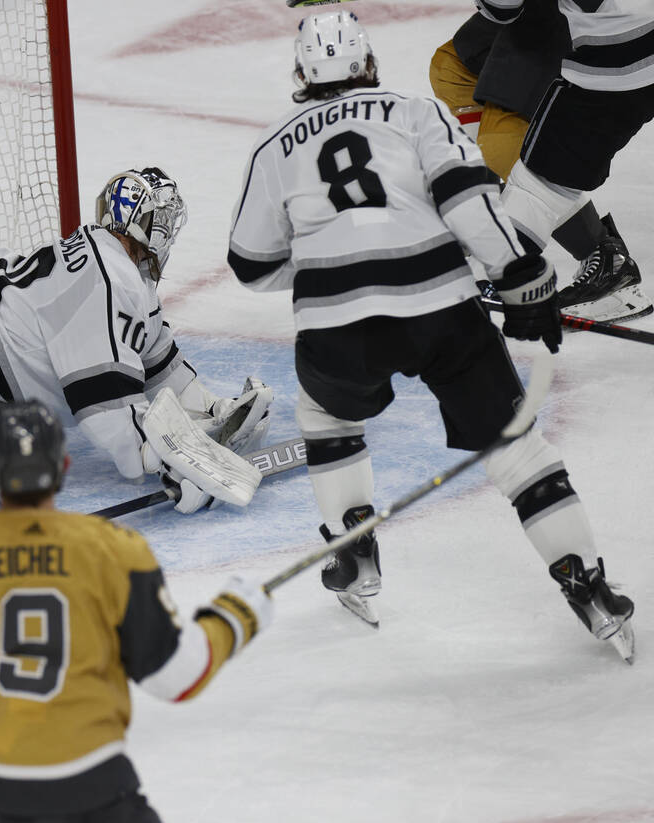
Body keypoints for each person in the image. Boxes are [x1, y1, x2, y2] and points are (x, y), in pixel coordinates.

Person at [226, 10, 633, 658]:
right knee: (516, 448)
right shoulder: (415, 112)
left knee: (328, 419)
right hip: (440, 307)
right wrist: (520, 278)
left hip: (336, 323)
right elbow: (468, 201)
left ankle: (354, 549)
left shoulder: (275, 145)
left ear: (304, 73)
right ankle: (585, 579)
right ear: (367, 64)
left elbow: (250, 263)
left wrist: (326, 259)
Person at [0, 399, 274, 821]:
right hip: (92, 789)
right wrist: (234, 618)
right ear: (63, 468)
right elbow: (176, 678)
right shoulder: (115, 551)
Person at [0, 165, 271, 512]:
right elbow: (103, 405)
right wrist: (166, 461)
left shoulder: (127, 277)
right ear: (143, 224)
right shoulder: (105, 280)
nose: (167, 233)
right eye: (162, 222)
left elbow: (157, 363)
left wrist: (211, 411)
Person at [428, 7, 651, 324]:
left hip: (605, 38)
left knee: (527, 158)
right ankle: (489, 220)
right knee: (451, 66)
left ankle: (605, 262)